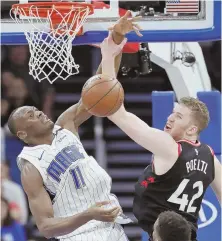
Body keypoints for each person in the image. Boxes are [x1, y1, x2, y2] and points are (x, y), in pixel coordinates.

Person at [7, 12, 142, 241]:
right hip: (80, 234)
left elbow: (101, 86)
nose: (38, 111)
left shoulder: (66, 123)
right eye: (30, 114)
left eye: (35, 109)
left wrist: (116, 38)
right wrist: (88, 214)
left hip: (111, 227)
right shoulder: (30, 166)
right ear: (23, 133)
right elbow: (46, 227)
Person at [106, 88, 221, 240]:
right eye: (173, 112)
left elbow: (118, 114)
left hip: (164, 235)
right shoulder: (211, 156)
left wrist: (108, 67)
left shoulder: (170, 147)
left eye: (178, 116)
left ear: (192, 129)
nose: (170, 118)